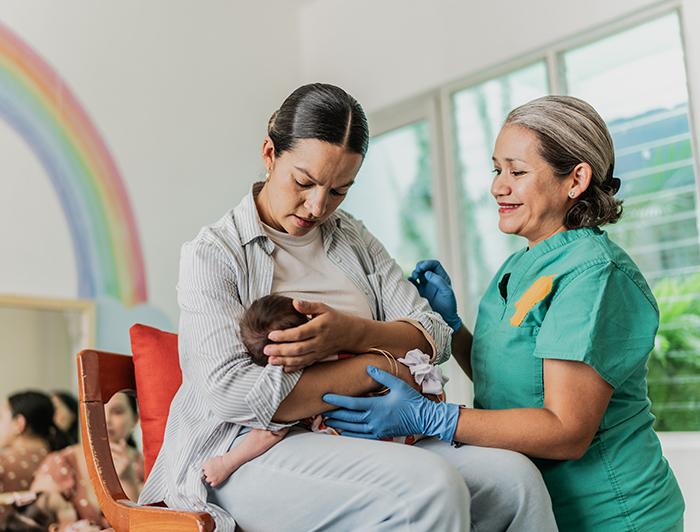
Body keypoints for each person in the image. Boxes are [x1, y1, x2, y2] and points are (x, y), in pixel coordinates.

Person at [139, 83, 557, 532]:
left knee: (516, 480)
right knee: (428, 487)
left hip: (369, 429)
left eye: (339, 190)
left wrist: (351, 335)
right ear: (269, 153)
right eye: (304, 182)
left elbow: (432, 334)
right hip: (248, 450)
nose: (318, 206)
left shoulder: (351, 239)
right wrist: (379, 368)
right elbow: (233, 395)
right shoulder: (214, 254)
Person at [323, 95, 686, 531]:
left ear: (576, 179)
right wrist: (454, 329)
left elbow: (567, 430)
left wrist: (432, 417)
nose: (498, 186)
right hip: (538, 505)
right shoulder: (519, 264)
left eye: (517, 171)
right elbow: (514, 386)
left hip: (612, 514)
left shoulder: (595, 275)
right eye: (497, 169)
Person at [201, 294, 446, 487]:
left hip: (366, 447)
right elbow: (417, 368)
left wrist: (226, 462)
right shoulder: (350, 351)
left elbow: (269, 434)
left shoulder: (300, 390)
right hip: (412, 429)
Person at [31, 392, 144, 529]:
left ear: (135, 420)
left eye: (117, 412)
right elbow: (35, 520)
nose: (106, 419)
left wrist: (127, 480)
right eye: (97, 410)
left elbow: (145, 526)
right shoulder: (60, 462)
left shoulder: (149, 466)